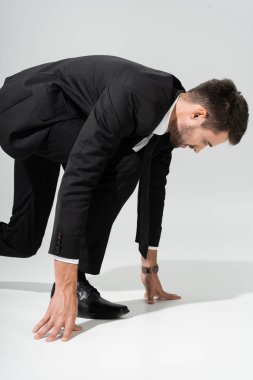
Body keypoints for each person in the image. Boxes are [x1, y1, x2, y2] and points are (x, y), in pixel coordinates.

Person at [0, 55, 249, 343]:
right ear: (197, 114)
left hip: (56, 114)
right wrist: (65, 284)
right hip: (27, 110)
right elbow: (79, 177)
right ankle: (75, 286)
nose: (198, 151)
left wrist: (149, 267)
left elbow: (154, 188)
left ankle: (69, 278)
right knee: (120, 165)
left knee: (22, 241)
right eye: (205, 142)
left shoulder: (168, 115)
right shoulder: (134, 96)